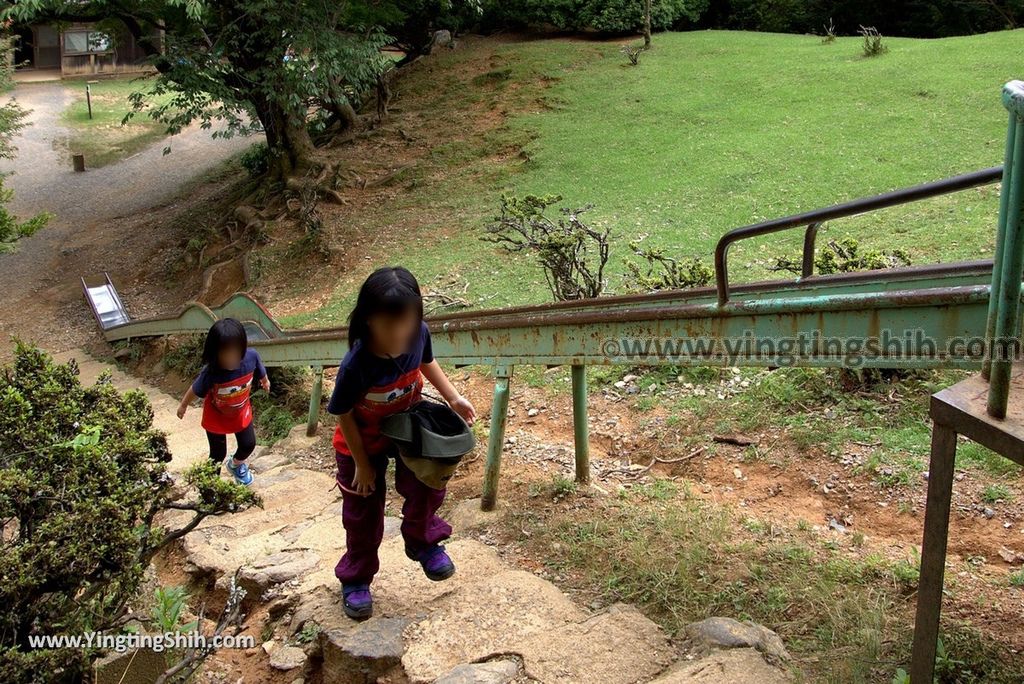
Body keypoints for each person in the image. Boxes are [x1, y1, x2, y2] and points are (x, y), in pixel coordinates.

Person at [329, 266, 476, 620]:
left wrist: (453, 397)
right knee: (363, 511)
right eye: (387, 325)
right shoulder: (356, 364)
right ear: (367, 321)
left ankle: (422, 541)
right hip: (360, 442)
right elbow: (344, 413)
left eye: (405, 323)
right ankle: (356, 578)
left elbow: (427, 361)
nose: (398, 333)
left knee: (428, 481)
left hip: (406, 426)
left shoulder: (418, 335)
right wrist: (363, 465)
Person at [177, 318, 269, 486]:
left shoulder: (251, 357)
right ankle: (211, 486)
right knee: (218, 454)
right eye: (225, 353)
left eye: (235, 352)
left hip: (240, 411)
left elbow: (259, 367)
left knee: (249, 444)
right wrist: (183, 405)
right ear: (215, 353)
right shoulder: (211, 373)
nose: (231, 358)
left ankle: (236, 465)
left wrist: (265, 380)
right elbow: (195, 389)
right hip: (216, 416)